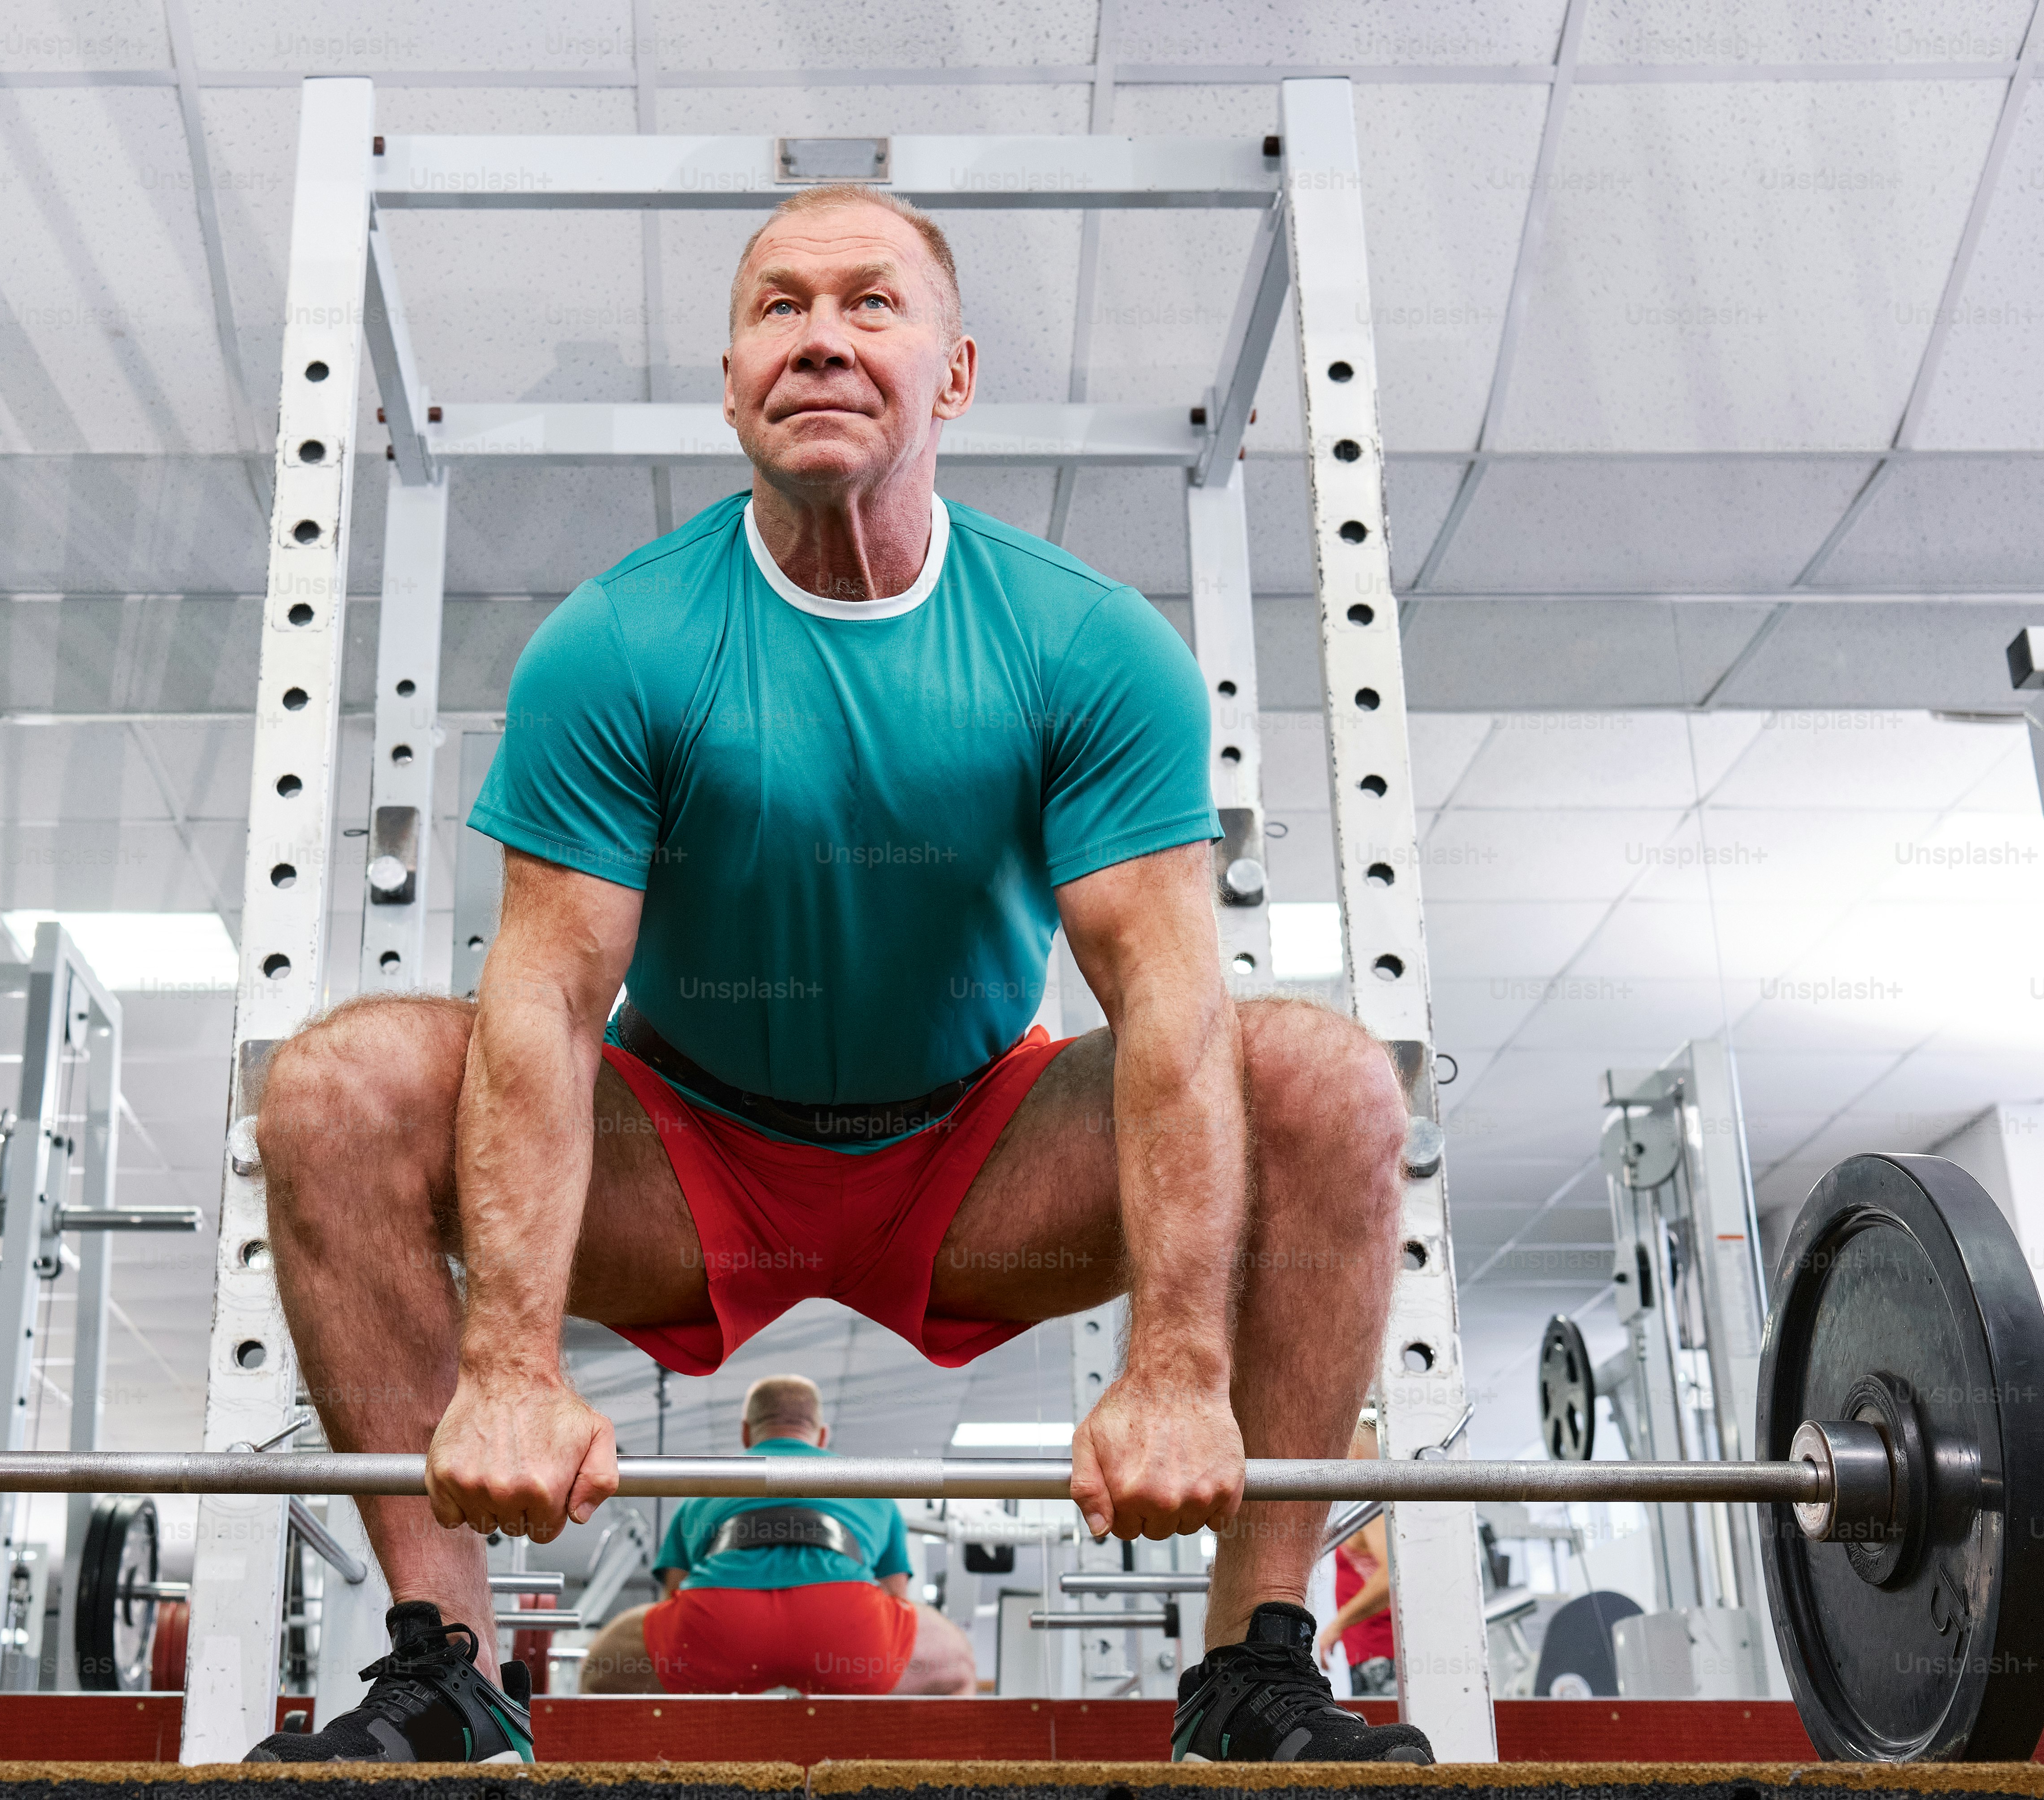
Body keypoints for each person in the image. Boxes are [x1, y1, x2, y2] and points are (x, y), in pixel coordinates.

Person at [242, 180, 1423, 1767]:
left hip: (982, 1156)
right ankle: (444, 1670)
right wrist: (512, 1371)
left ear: (954, 374)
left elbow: (1172, 1008)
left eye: (872, 304)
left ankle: (1259, 1672)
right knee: (337, 1086)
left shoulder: (1083, 645)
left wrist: (1180, 1373)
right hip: (687, 1151)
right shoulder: (622, 644)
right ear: (731, 379)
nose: (821, 339)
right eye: (778, 308)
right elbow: (540, 1005)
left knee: (1330, 1082)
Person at [579, 1375, 974, 1696]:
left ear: (747, 1433)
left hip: (721, 1630)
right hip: (846, 1634)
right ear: (822, 1436)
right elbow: (896, 1601)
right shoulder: (868, 1484)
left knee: (601, 1670)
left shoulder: (704, 1486)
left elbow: (674, 1596)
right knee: (958, 1668)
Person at [1313, 1419, 1396, 1697]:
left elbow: (1389, 1578)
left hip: (1382, 1654)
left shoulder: (1373, 1507)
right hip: (1371, 1653)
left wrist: (1336, 1625)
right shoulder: (1366, 1508)